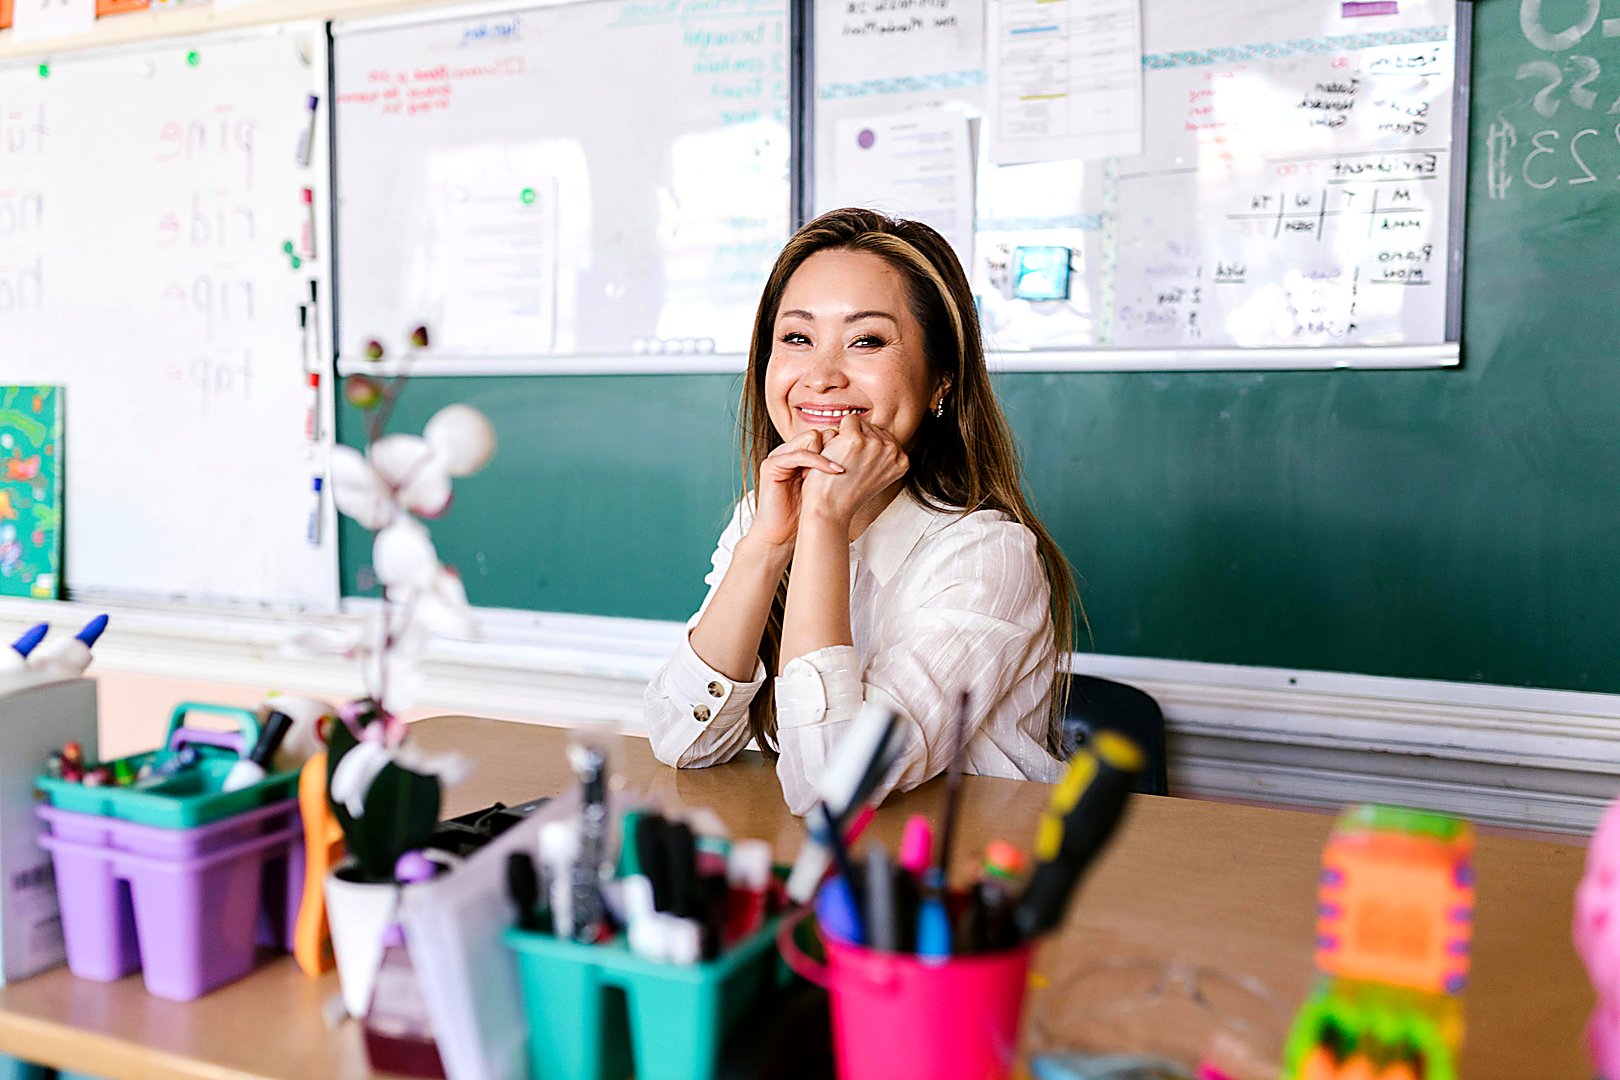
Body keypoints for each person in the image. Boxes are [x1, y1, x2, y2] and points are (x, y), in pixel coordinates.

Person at [644, 208, 1079, 815]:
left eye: (867, 340)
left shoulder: (988, 555)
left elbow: (832, 788)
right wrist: (767, 548)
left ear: (940, 381)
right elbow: (680, 741)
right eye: (797, 338)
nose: (820, 377)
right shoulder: (764, 516)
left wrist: (821, 522)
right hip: (833, 879)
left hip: (962, 888)